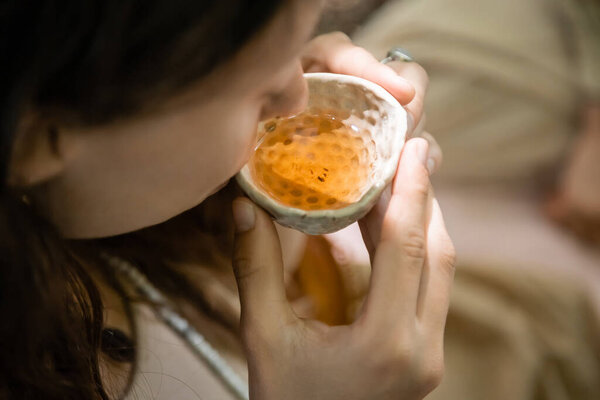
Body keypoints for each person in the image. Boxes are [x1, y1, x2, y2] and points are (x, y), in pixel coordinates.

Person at [0, 1, 454, 399]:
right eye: (258, 85)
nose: (299, 93)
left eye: (297, 48)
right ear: (36, 139)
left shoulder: (107, 217)